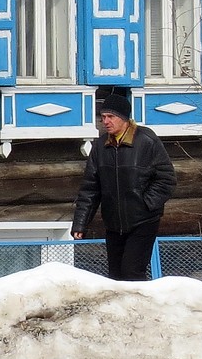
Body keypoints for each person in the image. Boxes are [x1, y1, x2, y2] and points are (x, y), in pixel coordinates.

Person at [71, 89, 175, 281]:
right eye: (103, 117)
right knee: (116, 276)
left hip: (143, 221)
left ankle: (142, 310)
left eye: (111, 116)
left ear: (124, 118)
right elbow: (90, 189)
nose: (106, 121)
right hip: (113, 223)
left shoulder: (146, 141)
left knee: (132, 272)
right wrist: (80, 223)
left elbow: (167, 179)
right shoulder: (100, 146)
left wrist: (145, 204)